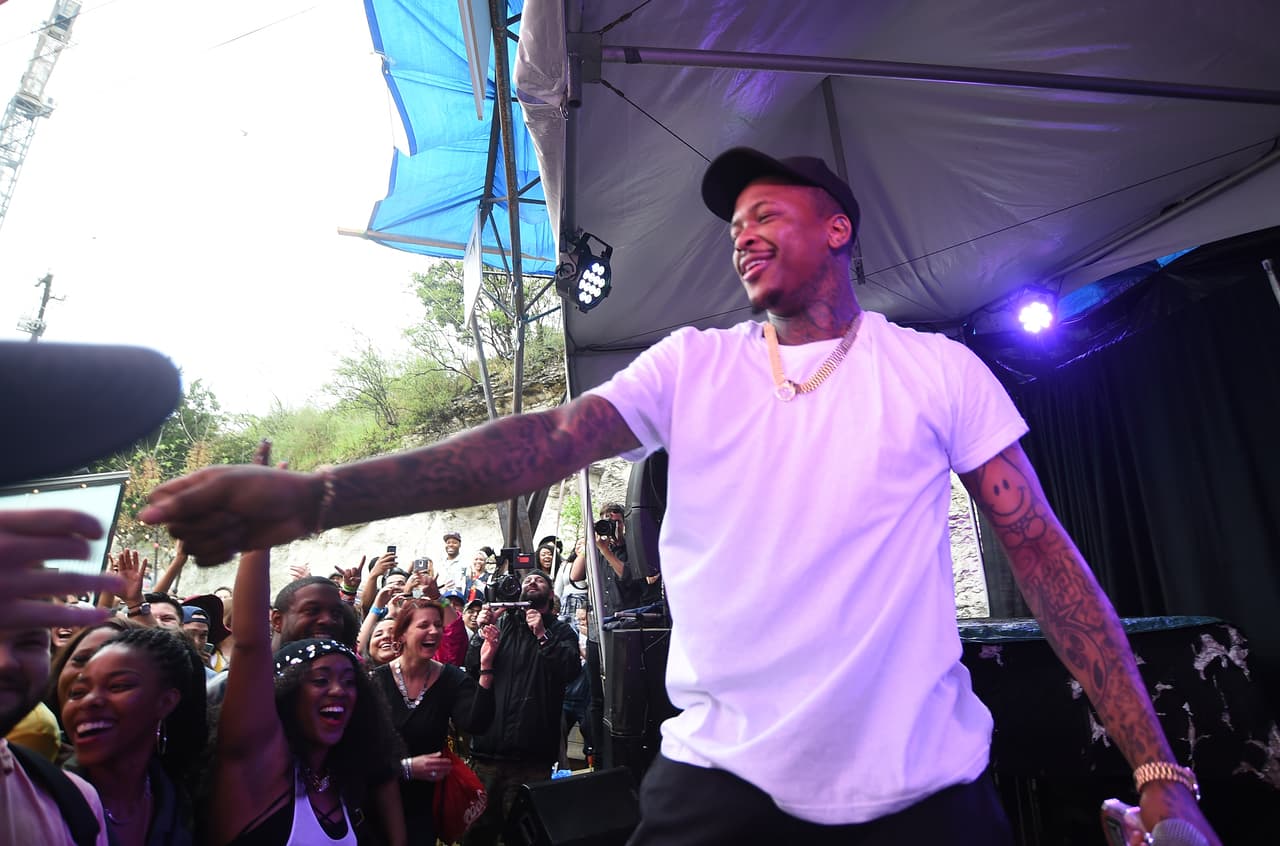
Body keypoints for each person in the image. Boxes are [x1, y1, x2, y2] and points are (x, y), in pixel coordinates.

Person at [140, 149, 1219, 845]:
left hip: (925, 794)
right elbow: (544, 442)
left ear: (836, 228)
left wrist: (1156, 767)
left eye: (764, 213)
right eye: (732, 223)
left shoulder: (933, 368)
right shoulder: (690, 364)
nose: (740, 233)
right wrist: (323, 494)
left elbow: (1039, 553)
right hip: (719, 787)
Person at [207, 452, 405, 846]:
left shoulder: (340, 777)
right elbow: (249, 646)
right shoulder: (257, 765)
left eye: (349, 681)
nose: (339, 690)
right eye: (320, 679)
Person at [461, 571, 581, 845]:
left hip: (532, 758)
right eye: (527, 580)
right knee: (477, 834)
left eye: (539, 581)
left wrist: (541, 635)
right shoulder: (501, 624)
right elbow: (472, 667)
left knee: (523, 836)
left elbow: (570, 669)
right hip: (489, 752)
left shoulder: (561, 631)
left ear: (550, 595)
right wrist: (481, 635)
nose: (531, 582)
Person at [62, 626, 207, 846]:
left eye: (118, 686)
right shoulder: (42, 798)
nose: (89, 701)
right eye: (78, 692)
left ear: (166, 701)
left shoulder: (177, 802)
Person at [371, 598, 497, 845]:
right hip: (378, 797)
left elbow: (476, 723)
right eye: (424, 625)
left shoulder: (450, 679)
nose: (434, 631)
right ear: (403, 633)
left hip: (426, 802)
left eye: (438, 625)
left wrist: (486, 667)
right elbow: (360, 754)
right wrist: (406, 767)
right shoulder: (376, 682)